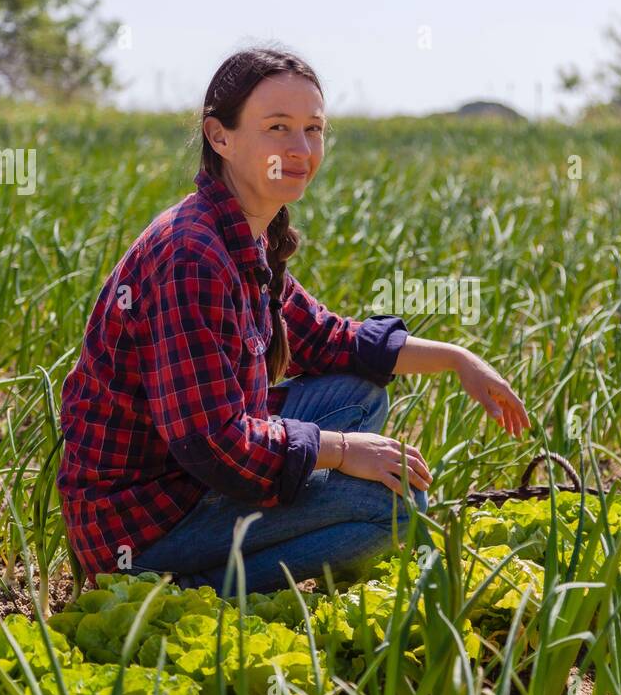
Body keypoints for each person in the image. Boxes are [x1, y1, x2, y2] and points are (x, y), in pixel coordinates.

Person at [57, 45, 529, 597]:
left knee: (360, 393)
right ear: (220, 136)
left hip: (189, 477)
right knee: (394, 507)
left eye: (314, 128)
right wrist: (345, 451)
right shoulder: (193, 256)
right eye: (278, 127)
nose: (301, 149)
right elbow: (215, 445)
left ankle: (249, 546)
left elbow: (330, 339)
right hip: (141, 523)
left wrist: (457, 360)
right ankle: (179, 590)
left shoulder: (244, 234)